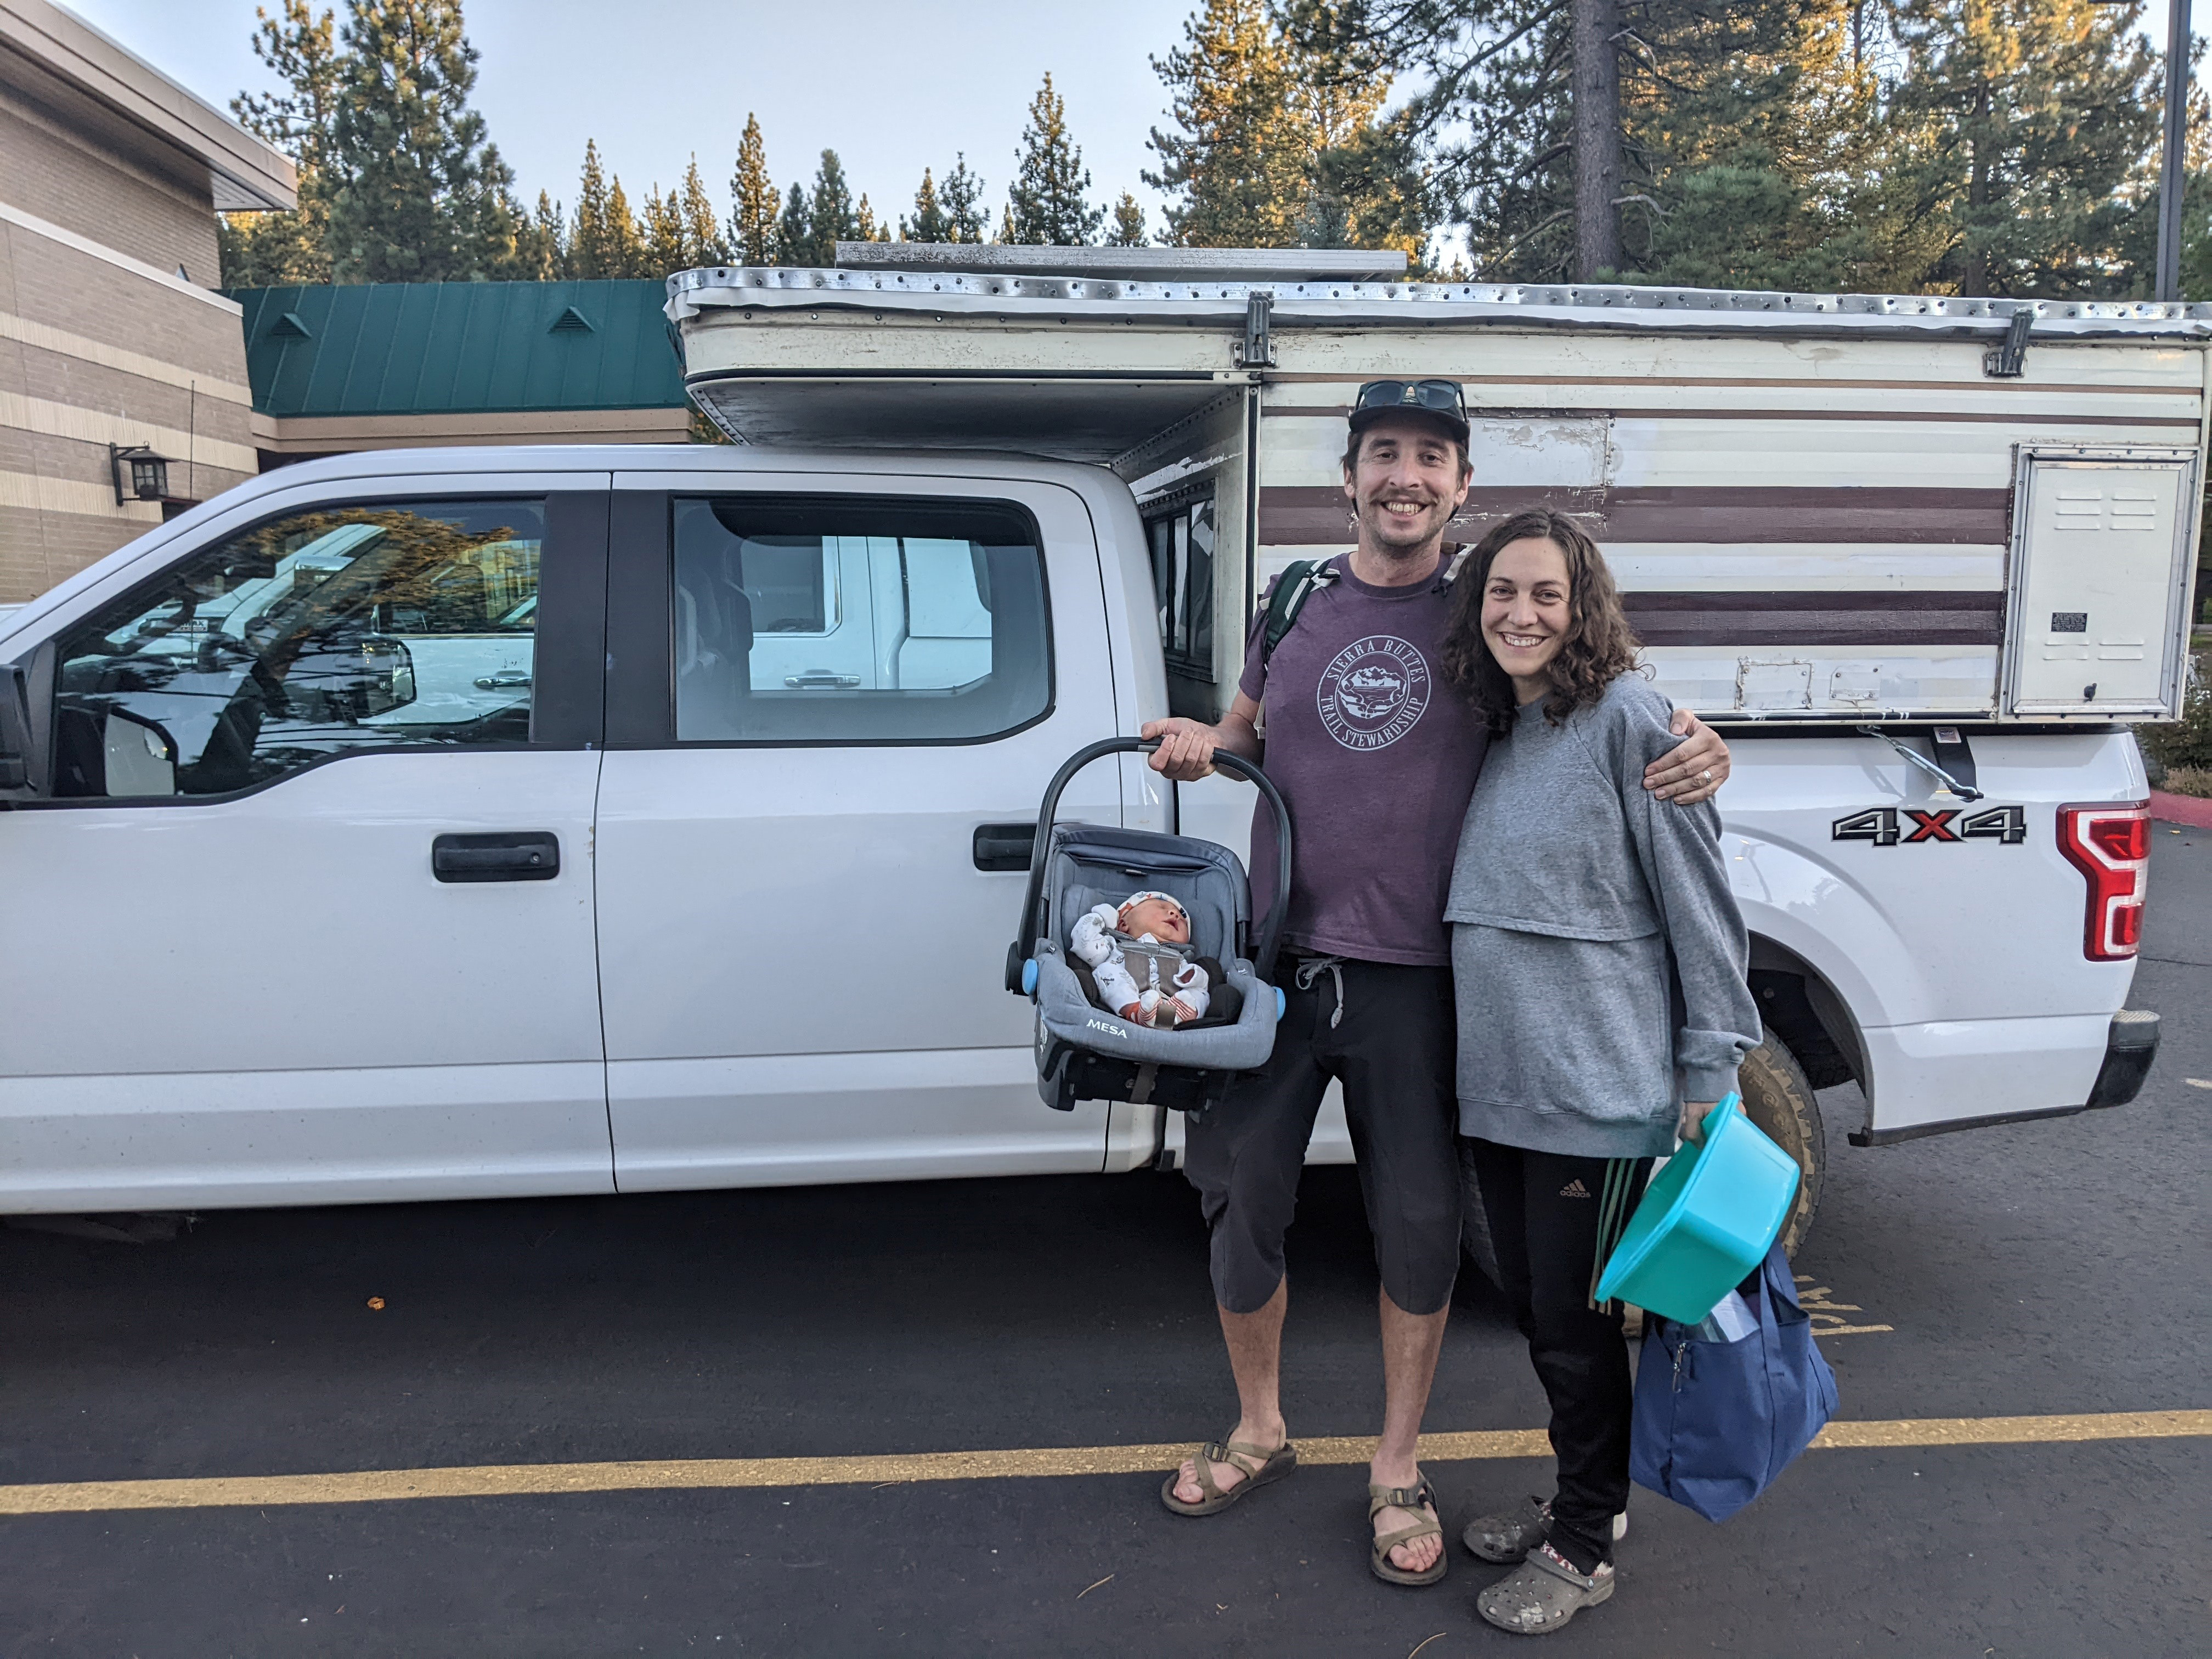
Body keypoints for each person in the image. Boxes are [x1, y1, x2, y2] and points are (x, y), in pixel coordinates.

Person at [1143, 380, 1733, 1585]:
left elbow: (1602, 698)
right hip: (1276, 967)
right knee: (1243, 1197)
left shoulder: (1487, 611)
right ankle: (1260, 1426)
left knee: (1415, 1224)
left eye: (1430, 458)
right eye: (1382, 455)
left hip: (1423, 978)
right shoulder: (1296, 597)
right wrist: (1210, 742)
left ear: (1461, 487)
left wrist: (1703, 737)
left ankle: (1397, 1465)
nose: (1404, 476)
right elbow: (1250, 728)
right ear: (1349, 478)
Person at [1437, 509, 1762, 1634]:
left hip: (1597, 1089)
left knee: (1575, 1332)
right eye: (1501, 594)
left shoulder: (1630, 719)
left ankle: (1584, 1546)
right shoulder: (1498, 725)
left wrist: (1708, 1069)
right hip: (1502, 1084)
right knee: (1536, 1313)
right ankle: (1590, 1498)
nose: (1520, 614)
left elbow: (1701, 908)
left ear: (1584, 610)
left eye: (1545, 595)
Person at [1070, 891, 1216, 1026]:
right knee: (1105, 970)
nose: (1175, 914)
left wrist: (1193, 976)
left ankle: (1184, 1014)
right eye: (1161, 907)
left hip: (1172, 1002)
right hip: (1128, 997)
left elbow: (1199, 983)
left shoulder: (1180, 959)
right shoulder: (1114, 946)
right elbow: (1085, 946)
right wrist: (1101, 918)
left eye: (1183, 920)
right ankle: (1134, 1011)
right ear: (1123, 924)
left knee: (1201, 988)